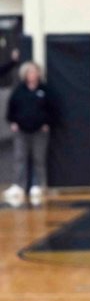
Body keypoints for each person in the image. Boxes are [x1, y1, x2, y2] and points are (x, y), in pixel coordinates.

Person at [3, 61, 55, 205]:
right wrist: (13, 122)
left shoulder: (45, 90)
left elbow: (53, 109)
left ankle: (37, 185)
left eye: (34, 72)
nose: (32, 75)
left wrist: (47, 123)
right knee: (20, 158)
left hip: (39, 130)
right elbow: (11, 109)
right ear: (25, 74)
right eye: (29, 72)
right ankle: (19, 186)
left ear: (38, 73)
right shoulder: (19, 91)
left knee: (39, 158)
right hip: (22, 130)